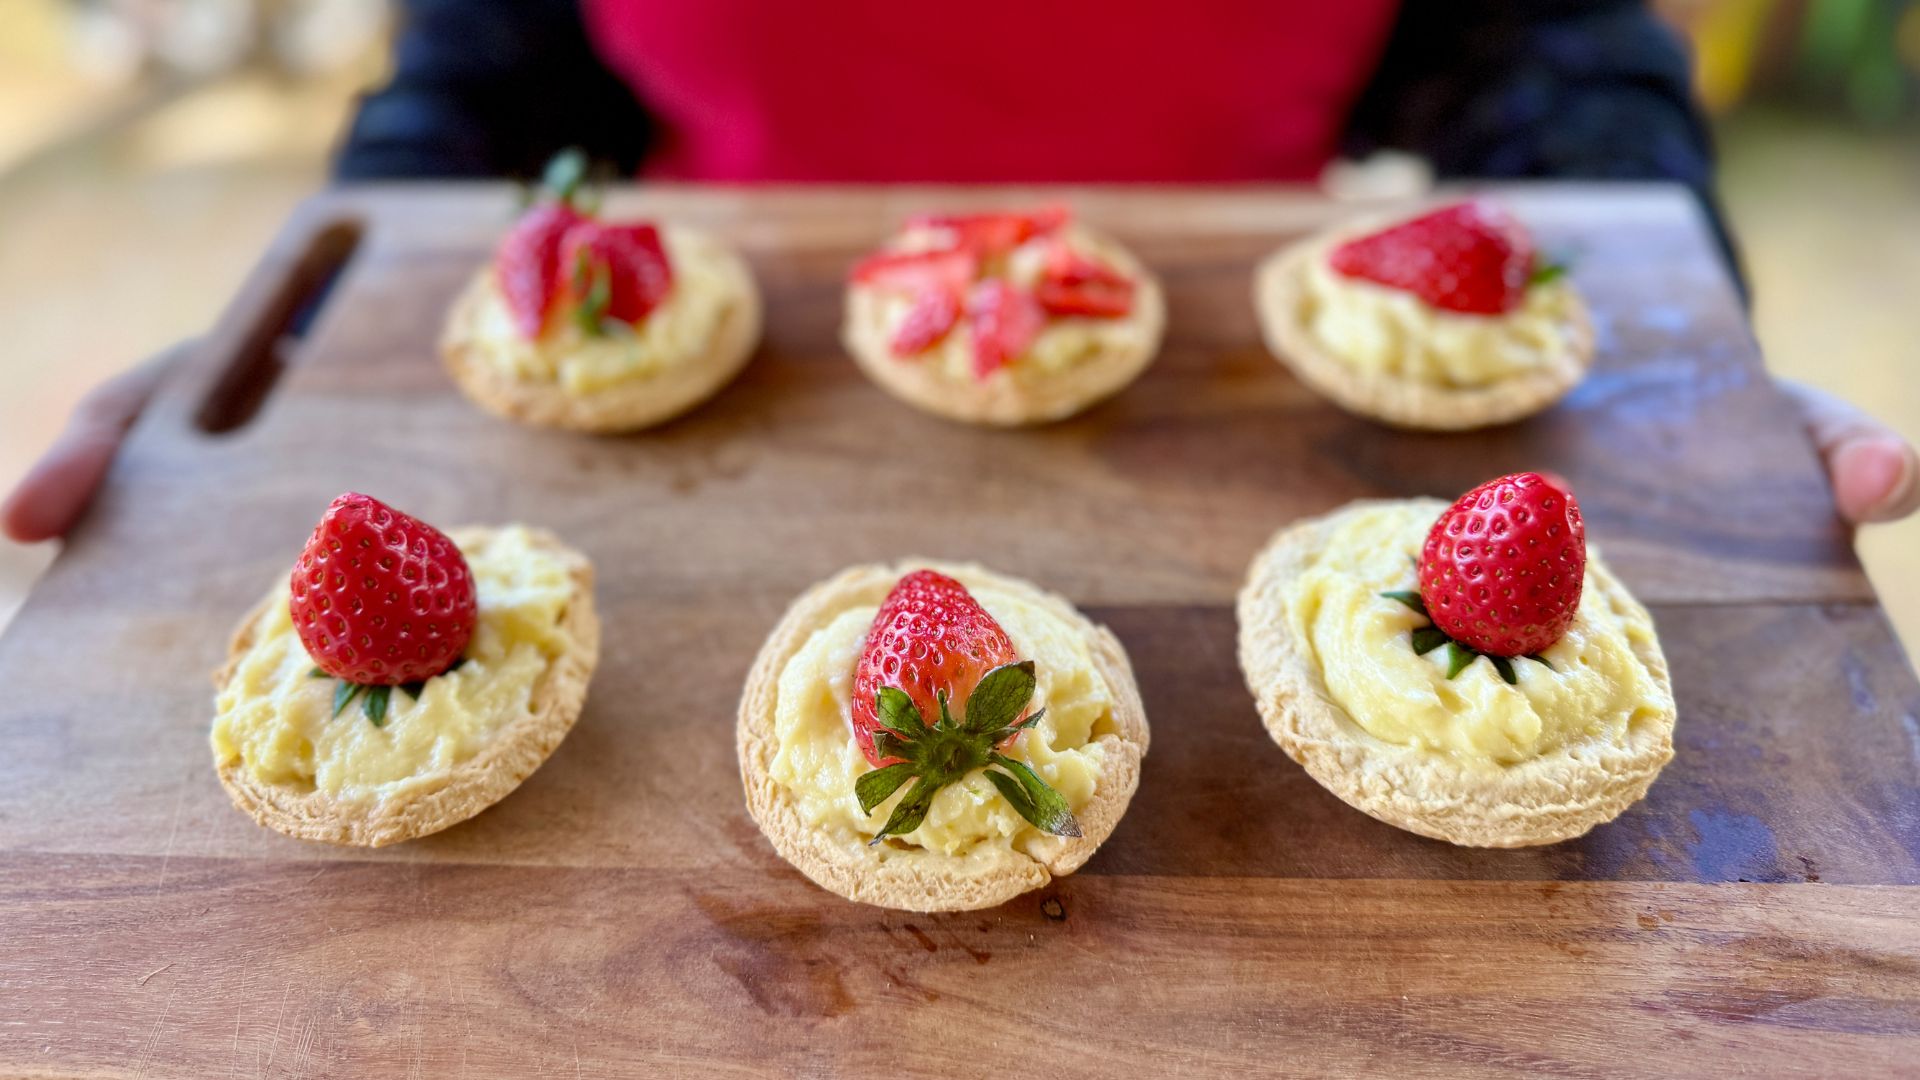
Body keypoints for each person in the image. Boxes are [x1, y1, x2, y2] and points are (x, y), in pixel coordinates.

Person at [4, 0, 1914, 542]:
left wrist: (1671, 348)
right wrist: (304, 337)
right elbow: (472, 95)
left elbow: (1558, 64)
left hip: (1256, 414)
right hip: (672, 434)